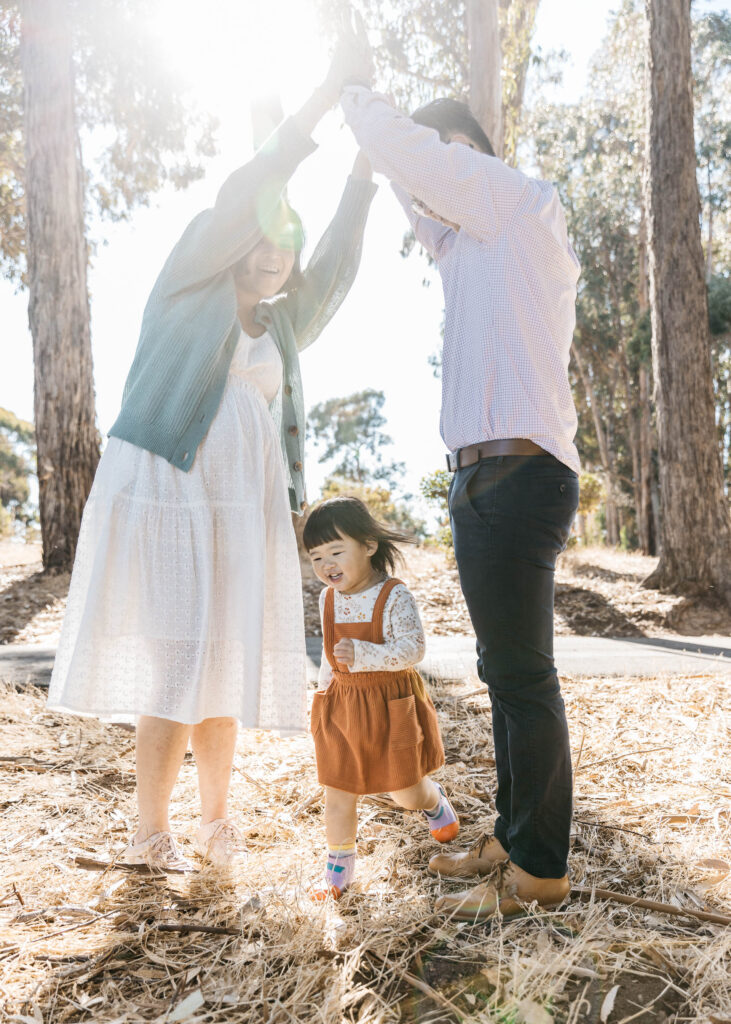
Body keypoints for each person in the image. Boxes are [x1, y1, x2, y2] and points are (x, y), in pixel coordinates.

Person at [46, 42, 378, 873]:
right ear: (235, 239)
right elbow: (244, 195)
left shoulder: (284, 327)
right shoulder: (191, 278)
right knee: (182, 657)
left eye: (286, 246)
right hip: (168, 485)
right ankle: (147, 832)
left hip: (241, 503)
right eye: (263, 238)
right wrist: (318, 106)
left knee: (223, 657)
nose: (274, 254)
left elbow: (332, 270)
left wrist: (362, 176)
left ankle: (215, 823)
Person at [338, 28, 581, 920]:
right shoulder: (463, 246)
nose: (430, 182)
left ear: (473, 155)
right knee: (505, 672)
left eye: (445, 157)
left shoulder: (513, 202)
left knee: (522, 679)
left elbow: (417, 160)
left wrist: (356, 96)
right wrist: (388, 156)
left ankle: (539, 872)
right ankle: (516, 841)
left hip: (517, 476)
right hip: (485, 481)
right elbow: (415, 189)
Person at [303, 497, 459, 899]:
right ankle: (337, 876)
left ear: (369, 545)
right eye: (317, 556)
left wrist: (365, 654)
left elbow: (414, 648)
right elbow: (330, 654)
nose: (326, 565)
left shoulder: (393, 595)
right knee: (338, 791)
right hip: (342, 704)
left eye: (336, 551)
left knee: (403, 791)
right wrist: (322, 695)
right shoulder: (327, 598)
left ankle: (432, 800)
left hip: (390, 704)